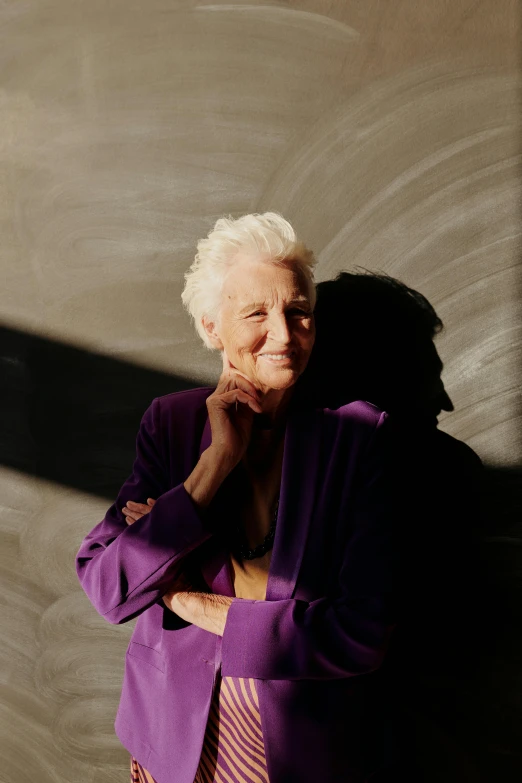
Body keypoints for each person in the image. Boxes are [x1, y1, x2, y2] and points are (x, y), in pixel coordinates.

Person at [75, 213, 400, 783]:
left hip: (296, 753)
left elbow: (360, 634)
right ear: (212, 326)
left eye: (298, 312)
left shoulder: (357, 438)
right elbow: (109, 587)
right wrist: (214, 464)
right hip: (170, 741)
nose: (285, 334)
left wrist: (186, 601)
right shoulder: (172, 422)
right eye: (256, 313)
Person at [304, 271, 485, 781]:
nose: (446, 401)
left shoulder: (266, 479)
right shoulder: (444, 475)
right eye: (427, 372)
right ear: (379, 375)